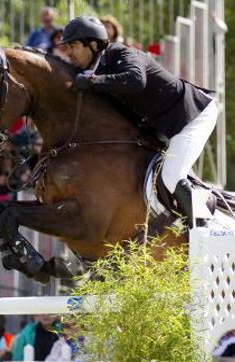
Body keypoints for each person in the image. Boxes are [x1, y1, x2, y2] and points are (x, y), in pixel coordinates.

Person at [61, 16, 218, 227]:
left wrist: (92, 81)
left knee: (172, 174)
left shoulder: (121, 53)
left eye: (73, 45)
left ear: (94, 44)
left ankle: (204, 231)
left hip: (193, 115)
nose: (68, 52)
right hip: (166, 127)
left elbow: (136, 80)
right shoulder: (96, 71)